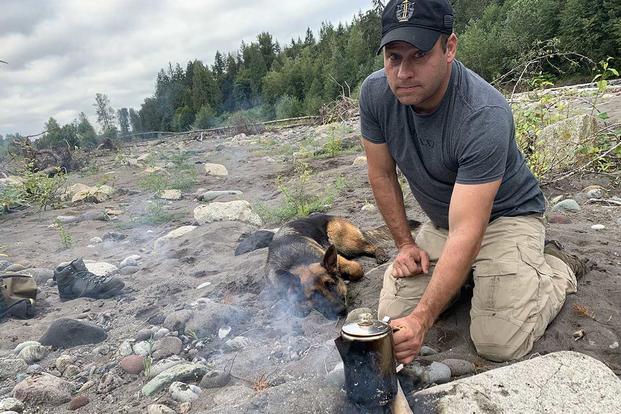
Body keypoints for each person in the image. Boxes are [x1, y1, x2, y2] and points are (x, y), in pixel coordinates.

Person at [359, 0, 590, 363]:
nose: (403, 72)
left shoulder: (483, 113)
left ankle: (556, 267)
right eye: (393, 57)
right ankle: (472, 277)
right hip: (446, 222)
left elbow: (468, 229)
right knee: (391, 314)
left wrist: (422, 320)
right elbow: (381, 173)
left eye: (418, 55)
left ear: (449, 47)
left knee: (498, 342)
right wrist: (405, 244)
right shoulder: (375, 95)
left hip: (506, 219)